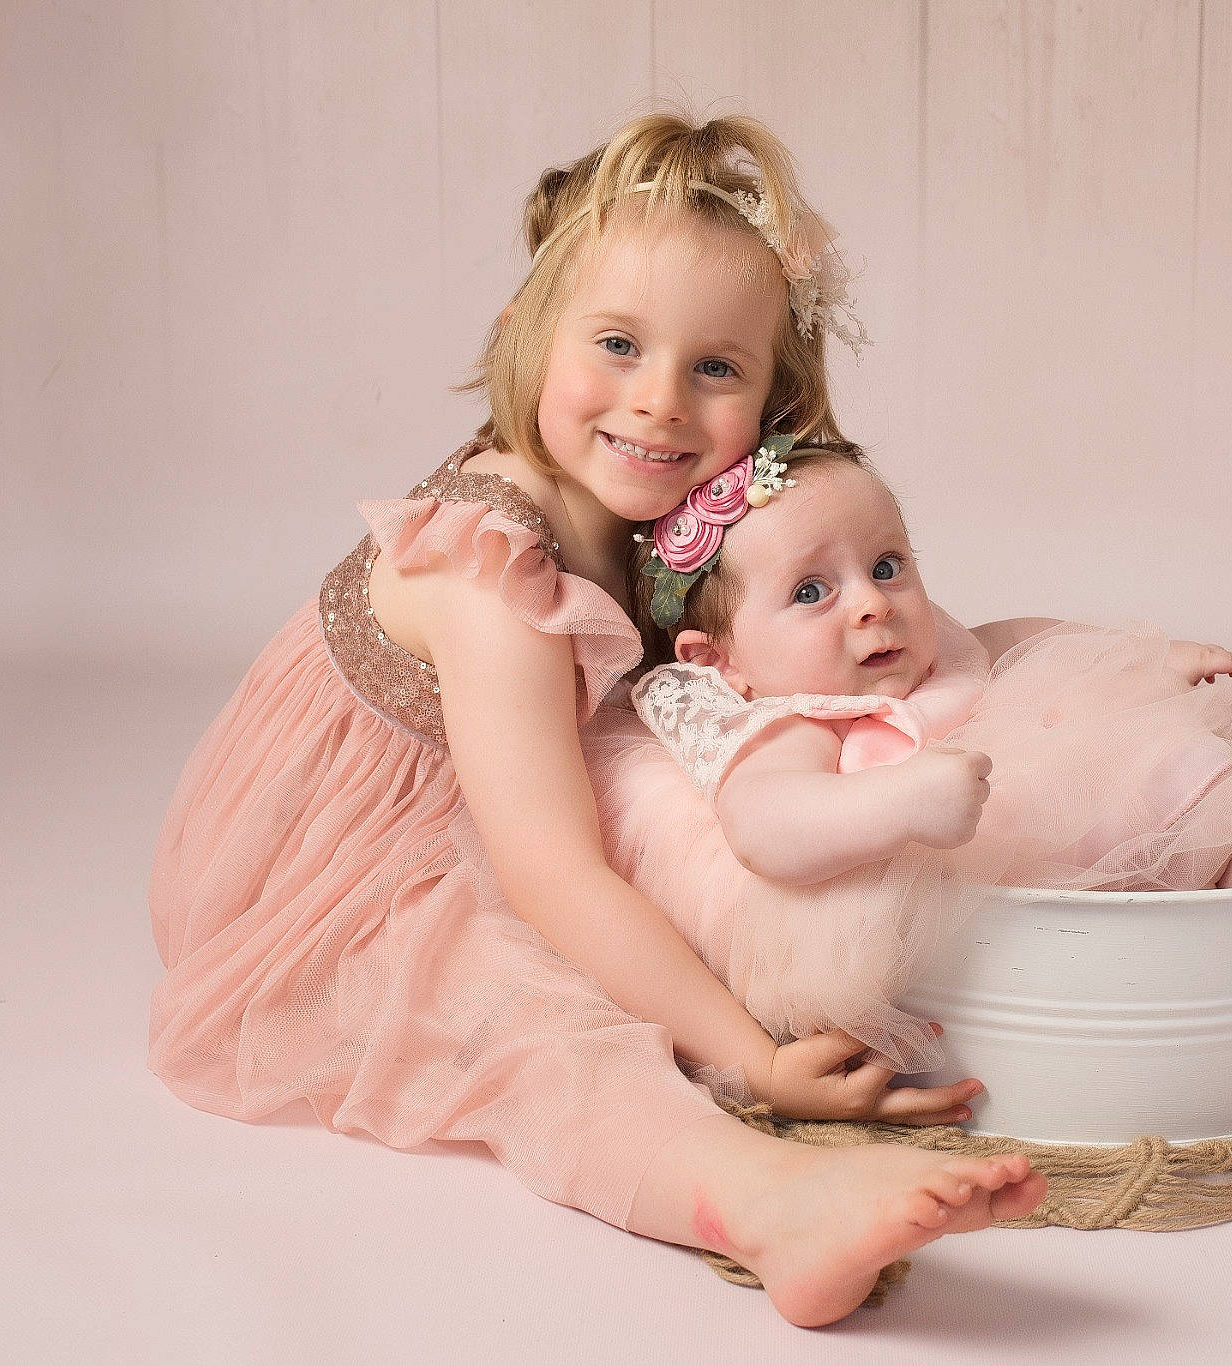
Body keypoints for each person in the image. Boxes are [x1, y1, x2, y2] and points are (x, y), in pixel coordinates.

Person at [147, 112, 1045, 1329]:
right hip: (330, 863)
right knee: (532, 1021)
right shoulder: (493, 568)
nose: (659, 403)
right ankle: (766, 1201)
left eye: (714, 368)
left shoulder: (652, 509)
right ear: (523, 338)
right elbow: (555, 872)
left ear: (774, 399)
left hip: (510, 797)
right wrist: (750, 1055)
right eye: (618, 344)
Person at [580, 445, 1232, 1070]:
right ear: (719, 660)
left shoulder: (933, 647)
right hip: (1004, 848)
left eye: (888, 566)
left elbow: (1022, 641)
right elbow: (766, 830)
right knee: (1215, 793)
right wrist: (897, 804)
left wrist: (1147, 658)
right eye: (812, 592)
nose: (870, 606)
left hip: (1074, 780)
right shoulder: (797, 723)